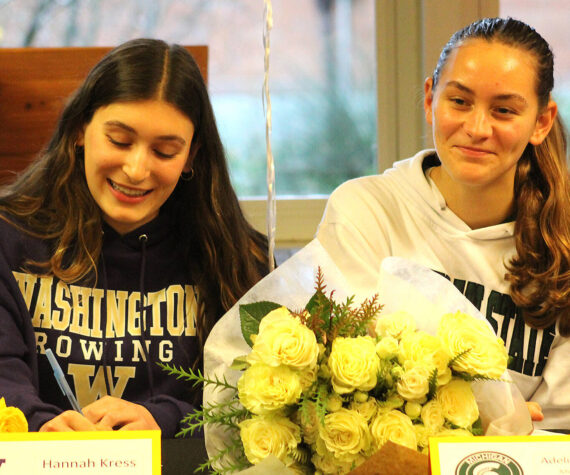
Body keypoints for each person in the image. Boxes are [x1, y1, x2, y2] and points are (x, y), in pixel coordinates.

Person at [0, 39, 270, 437]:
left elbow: (259, 405)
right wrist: (39, 425)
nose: (136, 169)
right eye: (120, 141)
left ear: (191, 156)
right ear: (79, 130)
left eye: (164, 152)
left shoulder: (238, 257)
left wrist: (168, 421)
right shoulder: (9, 238)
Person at [316, 17, 570, 430]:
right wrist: (501, 417)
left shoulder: (561, 238)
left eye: (504, 110)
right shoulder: (366, 211)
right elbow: (343, 387)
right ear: (430, 98)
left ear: (541, 122)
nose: (476, 128)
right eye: (460, 101)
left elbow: (552, 429)